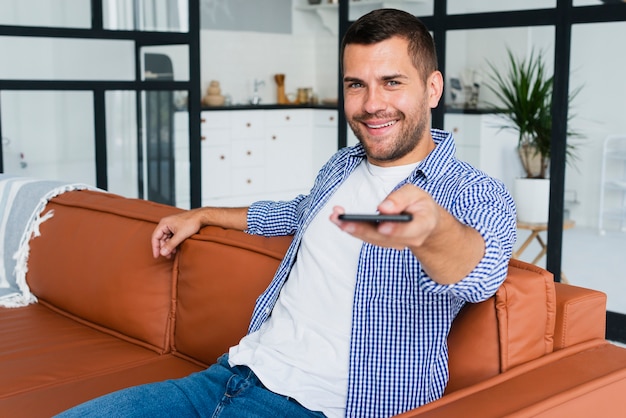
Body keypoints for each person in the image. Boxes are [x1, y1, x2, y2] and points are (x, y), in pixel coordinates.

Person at [57, 8, 516, 418]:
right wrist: (202, 214)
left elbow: (480, 272)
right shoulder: (342, 165)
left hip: (318, 405)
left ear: (432, 88)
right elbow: (296, 213)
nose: (372, 103)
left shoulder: (473, 192)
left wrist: (431, 232)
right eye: (356, 84)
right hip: (229, 376)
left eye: (392, 82)